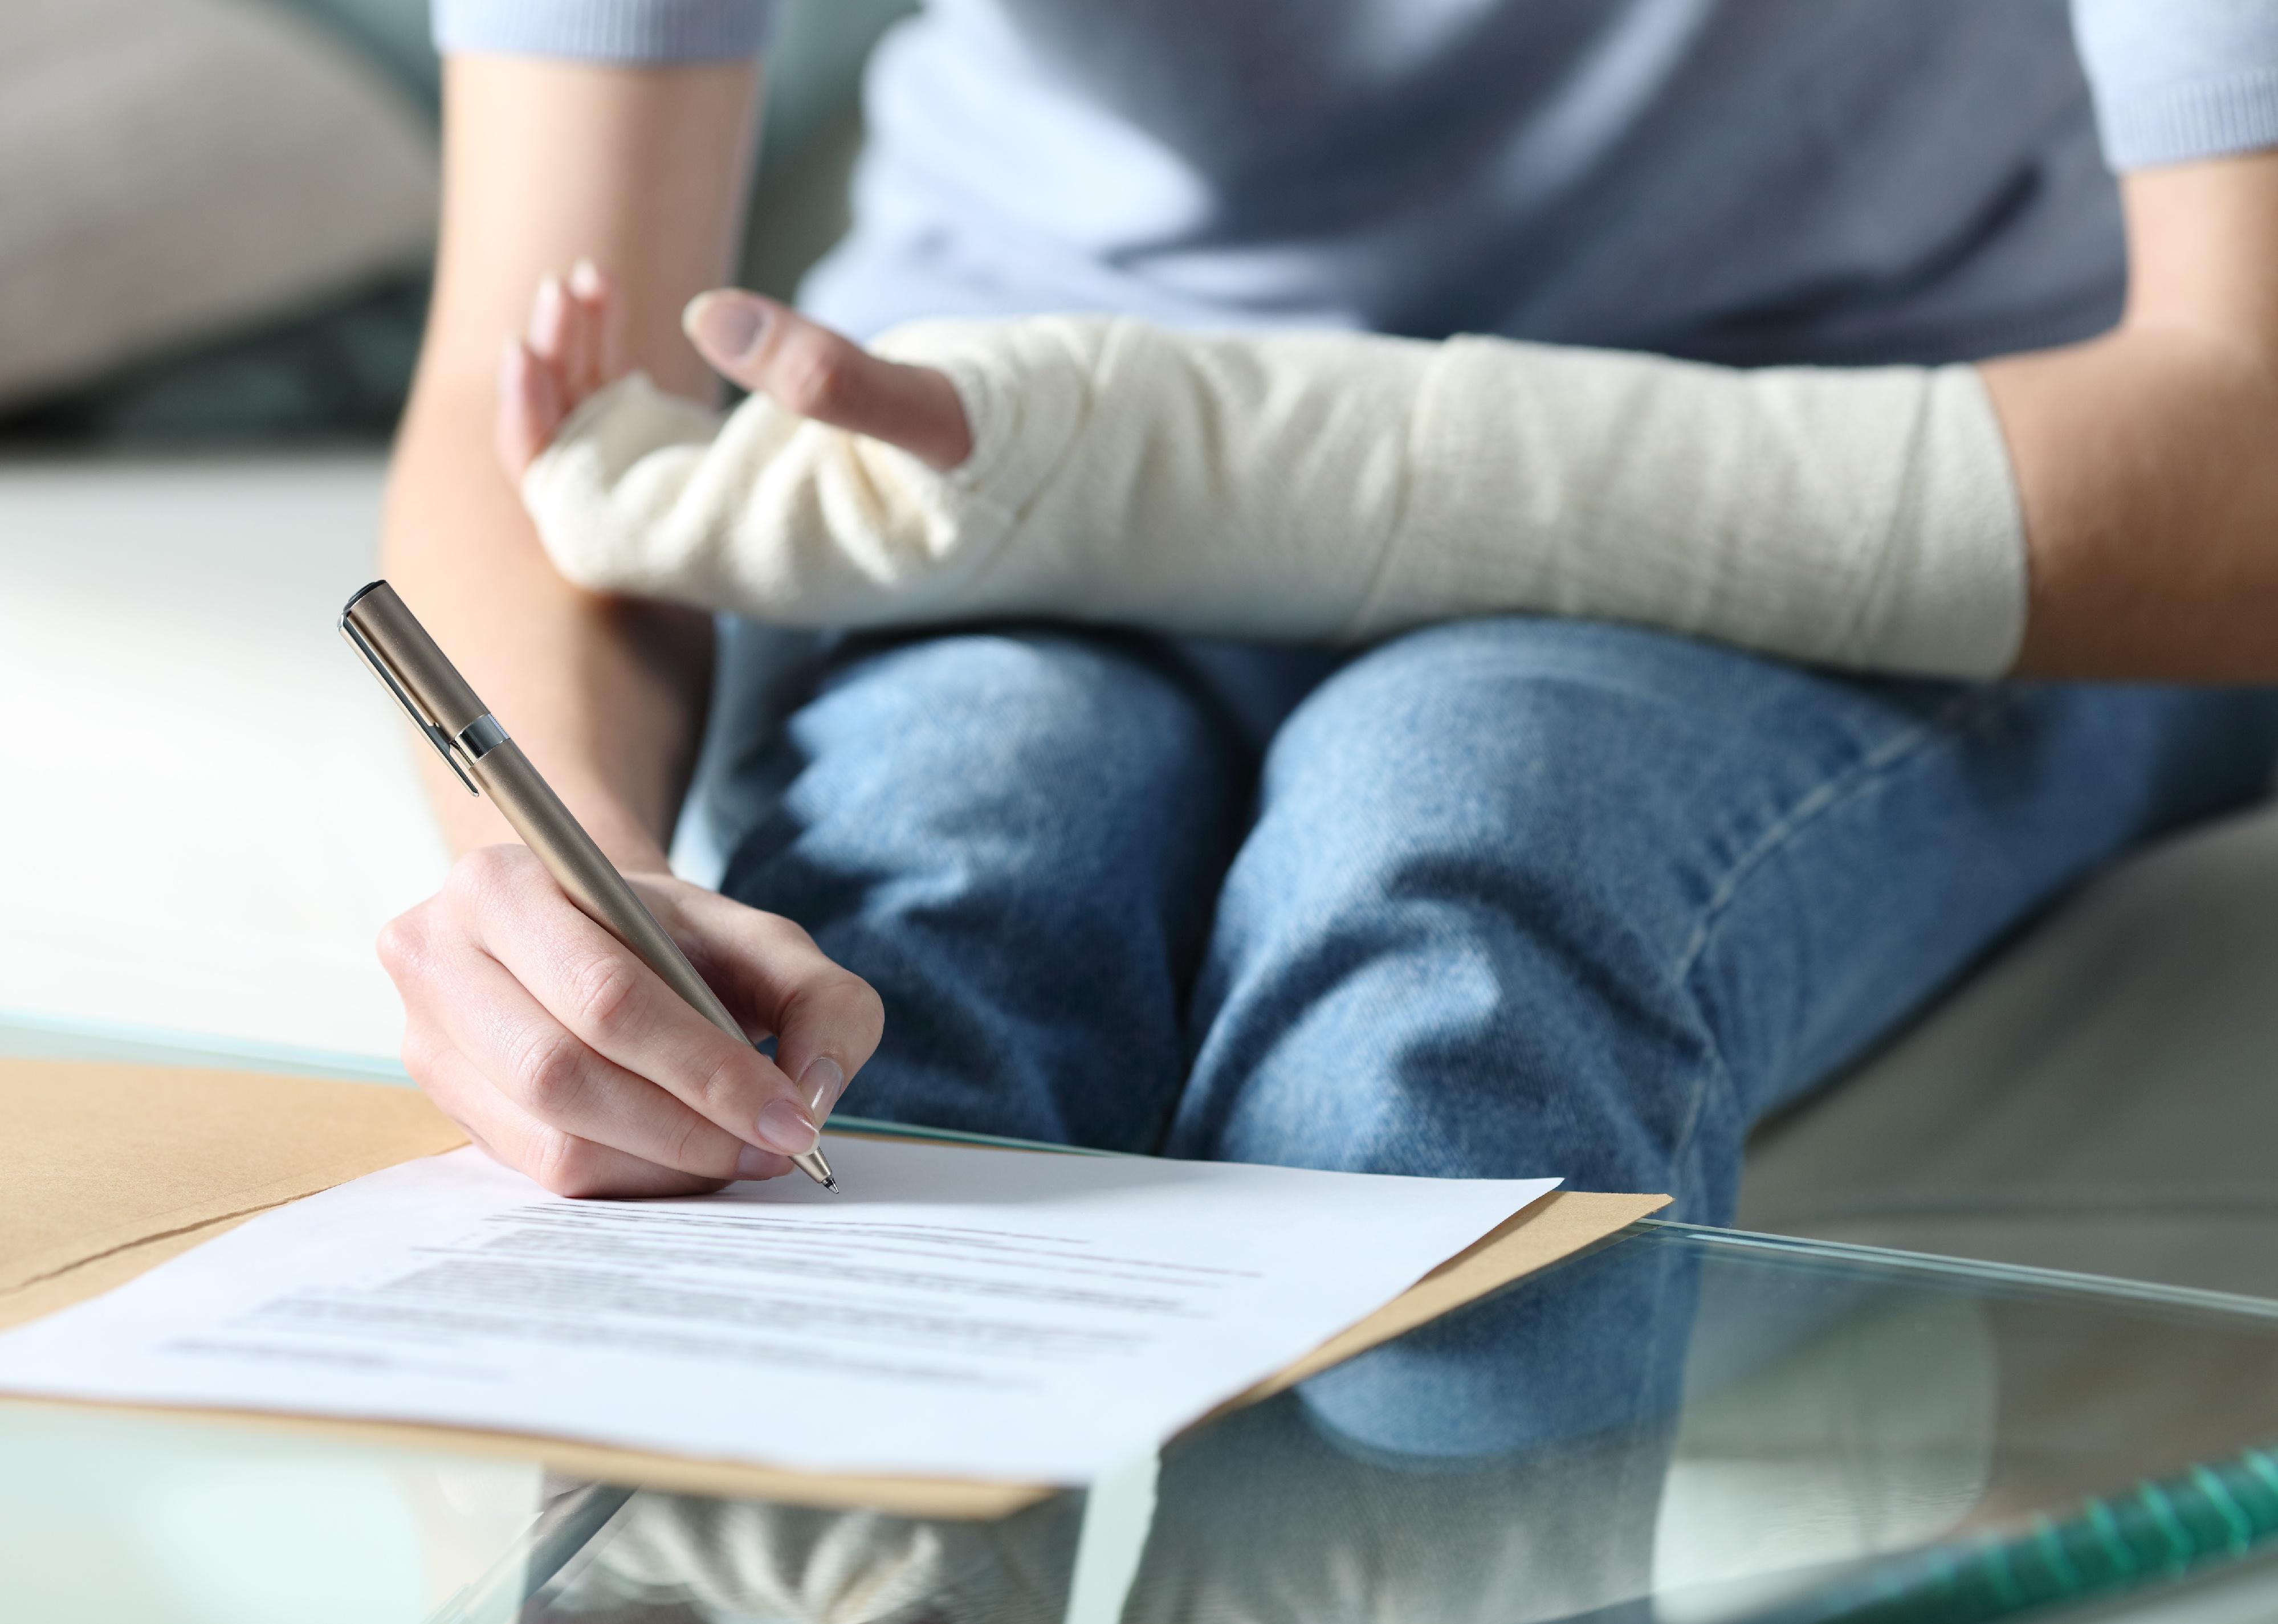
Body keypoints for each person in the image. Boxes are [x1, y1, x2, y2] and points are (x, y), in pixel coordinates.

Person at [378, 2, 2278, 1224]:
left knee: (1455, 922)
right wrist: (582, 892)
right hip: (989, 453)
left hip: (1930, 443)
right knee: (895, 953)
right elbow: (548, 387)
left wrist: (1205, 464)